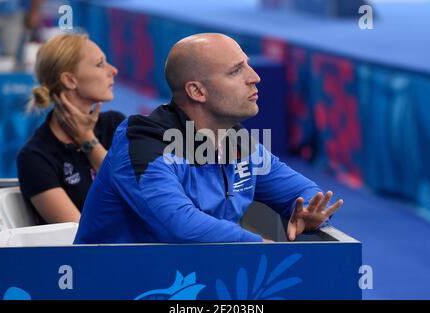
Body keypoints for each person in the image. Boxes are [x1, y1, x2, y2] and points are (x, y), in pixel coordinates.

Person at [74, 33, 343, 244]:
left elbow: (308, 193)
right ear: (197, 91)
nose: (255, 77)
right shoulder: (143, 143)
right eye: (236, 71)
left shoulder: (237, 141)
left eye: (248, 66)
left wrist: (309, 211)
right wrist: (260, 245)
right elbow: (179, 225)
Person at [17, 33, 125, 224]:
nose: (113, 70)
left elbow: (137, 192)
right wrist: (88, 142)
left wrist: (87, 139)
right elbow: (78, 237)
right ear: (70, 80)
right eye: (100, 64)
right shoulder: (35, 157)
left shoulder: (115, 125)